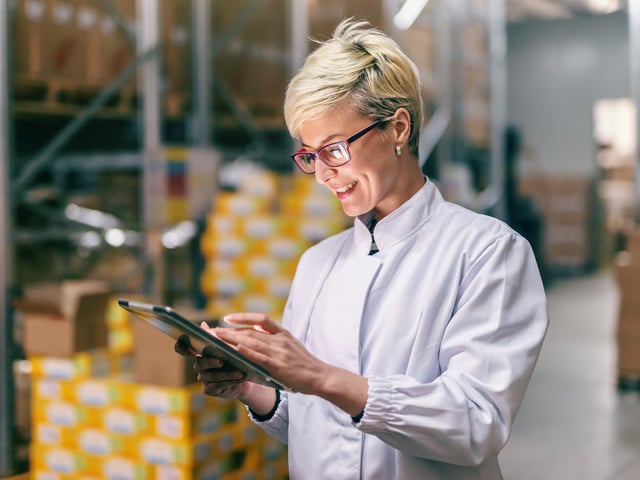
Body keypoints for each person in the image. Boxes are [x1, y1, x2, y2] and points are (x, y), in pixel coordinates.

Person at [186, 19, 548, 479]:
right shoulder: (317, 264)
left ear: (398, 128)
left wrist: (319, 376)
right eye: (310, 156)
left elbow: (475, 422)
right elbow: (315, 421)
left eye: (334, 149)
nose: (322, 174)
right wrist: (253, 389)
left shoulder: (487, 253)